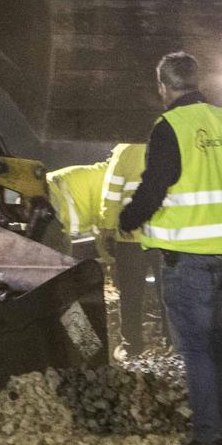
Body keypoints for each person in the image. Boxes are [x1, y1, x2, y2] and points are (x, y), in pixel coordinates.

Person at [118, 51, 222, 445]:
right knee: (221, 344)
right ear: (198, 83)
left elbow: (156, 184)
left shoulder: (170, 127)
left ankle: (208, 437)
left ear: (163, 88)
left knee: (197, 348)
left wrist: (129, 217)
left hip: (189, 259)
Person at [50, 145, 158, 358]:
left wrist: (109, 256)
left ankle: (85, 348)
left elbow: (103, 232)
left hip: (47, 210)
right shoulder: (111, 179)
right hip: (50, 211)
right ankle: (87, 349)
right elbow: (107, 217)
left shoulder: (101, 172)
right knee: (61, 287)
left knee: (56, 284)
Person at [96, 141, 162, 355]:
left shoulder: (124, 150)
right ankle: (174, 343)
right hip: (165, 235)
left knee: (131, 295)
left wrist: (107, 227)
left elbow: (112, 193)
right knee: (168, 294)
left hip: (131, 235)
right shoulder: (171, 142)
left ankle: (131, 347)